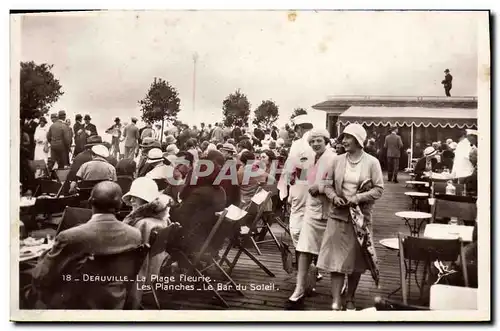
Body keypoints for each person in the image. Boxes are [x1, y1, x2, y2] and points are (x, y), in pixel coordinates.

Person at [28, 181, 142, 309]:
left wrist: (44, 255)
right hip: (115, 301)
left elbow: (42, 276)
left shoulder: (70, 237)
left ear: (90, 201)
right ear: (120, 204)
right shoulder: (135, 235)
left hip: (75, 304)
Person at [316, 123, 384, 311]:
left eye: (348, 137)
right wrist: (334, 197)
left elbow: (379, 189)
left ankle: (350, 299)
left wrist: (357, 198)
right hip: (338, 216)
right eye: (343, 137)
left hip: (360, 219)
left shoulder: (372, 162)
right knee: (336, 261)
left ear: (358, 140)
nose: (343, 141)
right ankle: (336, 300)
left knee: (355, 261)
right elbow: (327, 185)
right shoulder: (337, 160)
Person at [287, 128, 336, 309]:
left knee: (332, 251)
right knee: (304, 248)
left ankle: (340, 283)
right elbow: (309, 176)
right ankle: (299, 288)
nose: (315, 144)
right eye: (313, 141)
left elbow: (338, 182)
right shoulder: (313, 158)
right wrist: (295, 174)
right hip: (311, 210)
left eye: (319, 141)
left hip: (327, 212)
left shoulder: (333, 158)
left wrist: (321, 187)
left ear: (326, 141)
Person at [122, 177, 173, 304]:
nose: (132, 200)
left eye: (135, 197)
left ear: (145, 200)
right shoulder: (164, 219)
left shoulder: (143, 223)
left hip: (136, 274)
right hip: (154, 270)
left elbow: (129, 252)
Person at [278, 114, 315, 247]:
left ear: (299, 128)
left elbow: (291, 167)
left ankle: (302, 254)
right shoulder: (321, 141)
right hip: (316, 185)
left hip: (301, 184)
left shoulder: (299, 144)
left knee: (297, 221)